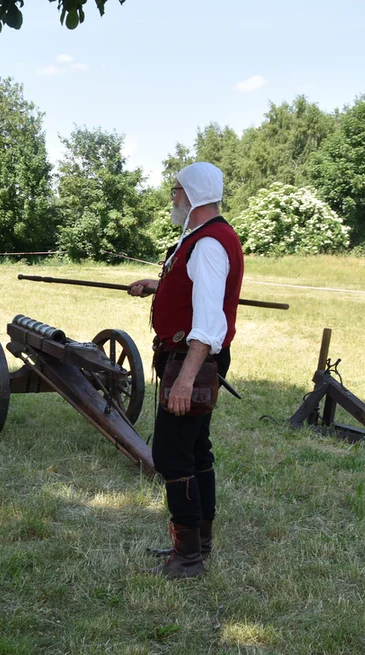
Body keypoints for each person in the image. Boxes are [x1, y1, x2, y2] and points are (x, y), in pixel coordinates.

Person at [127, 162, 245, 579]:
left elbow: (210, 323)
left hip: (193, 360)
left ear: (192, 194)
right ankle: (200, 541)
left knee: (172, 455)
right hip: (192, 359)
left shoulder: (210, 243)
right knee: (195, 450)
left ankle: (188, 557)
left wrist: (186, 378)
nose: (173, 198)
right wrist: (160, 284)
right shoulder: (203, 238)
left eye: (177, 191)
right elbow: (198, 288)